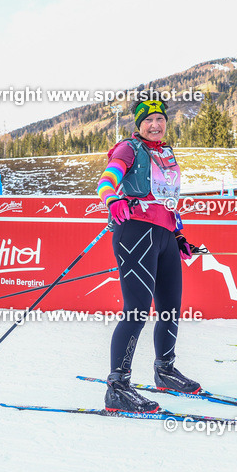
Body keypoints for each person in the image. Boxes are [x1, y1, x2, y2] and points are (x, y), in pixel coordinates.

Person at [95, 99, 199, 412]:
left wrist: (178, 235)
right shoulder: (128, 148)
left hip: (165, 236)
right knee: (137, 310)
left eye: (160, 119)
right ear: (138, 125)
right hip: (136, 233)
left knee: (170, 308)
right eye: (148, 120)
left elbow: (168, 202)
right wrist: (113, 200)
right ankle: (118, 387)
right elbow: (106, 181)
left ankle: (165, 371)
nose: (155, 125)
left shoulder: (166, 153)